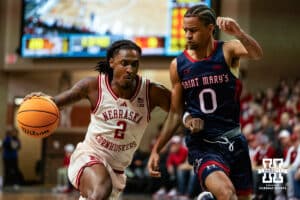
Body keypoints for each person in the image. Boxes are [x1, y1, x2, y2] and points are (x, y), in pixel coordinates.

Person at [25, 40, 171, 200]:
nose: (130, 69)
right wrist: (42, 102)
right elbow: (57, 102)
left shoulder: (151, 92)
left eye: (134, 64)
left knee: (100, 191)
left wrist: (158, 147)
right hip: (88, 156)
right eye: (124, 63)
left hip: (116, 171)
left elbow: (179, 113)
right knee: (101, 188)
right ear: (112, 62)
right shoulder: (94, 86)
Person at [147, 4, 263, 200]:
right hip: (204, 145)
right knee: (227, 193)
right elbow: (175, 113)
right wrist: (157, 149)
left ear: (210, 29)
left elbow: (257, 54)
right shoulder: (178, 65)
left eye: (193, 30)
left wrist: (239, 33)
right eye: (185, 30)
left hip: (235, 140)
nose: (188, 35)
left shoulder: (227, 50)